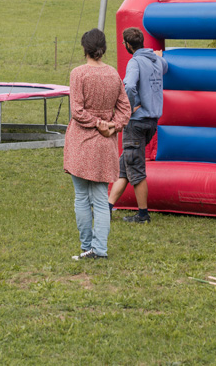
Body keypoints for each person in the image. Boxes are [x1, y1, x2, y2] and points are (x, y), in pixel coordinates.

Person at [64, 28, 131, 260]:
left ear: (85, 49)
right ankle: (98, 249)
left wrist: (99, 123)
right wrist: (111, 125)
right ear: (103, 49)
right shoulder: (113, 74)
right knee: (101, 199)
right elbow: (125, 110)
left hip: (82, 141)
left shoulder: (78, 74)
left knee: (82, 196)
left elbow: (77, 111)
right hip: (105, 143)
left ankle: (87, 247)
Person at [108, 27, 168, 223]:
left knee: (135, 167)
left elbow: (130, 86)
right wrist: (159, 55)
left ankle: (143, 215)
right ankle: (107, 207)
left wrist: (128, 108)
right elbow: (166, 66)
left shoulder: (134, 62)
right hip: (152, 122)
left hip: (137, 122)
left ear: (127, 45)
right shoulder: (156, 60)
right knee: (126, 164)